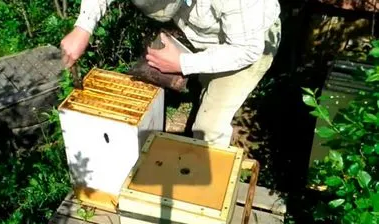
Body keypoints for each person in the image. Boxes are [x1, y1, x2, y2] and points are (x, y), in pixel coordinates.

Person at [61, 0, 281, 147]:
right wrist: (83, 27)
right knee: (148, 79)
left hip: (248, 44)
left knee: (209, 128)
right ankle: (203, 90)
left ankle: (205, 200)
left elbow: (247, 49)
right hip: (194, 33)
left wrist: (183, 63)